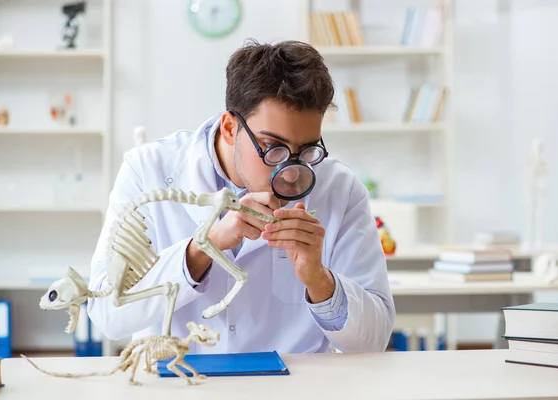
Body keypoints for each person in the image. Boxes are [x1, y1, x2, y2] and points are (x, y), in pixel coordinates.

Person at [87, 39, 395, 354]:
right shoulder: (146, 171)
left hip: (296, 386)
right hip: (180, 381)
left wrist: (319, 281)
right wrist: (203, 247)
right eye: (273, 147)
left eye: (306, 150)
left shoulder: (339, 188)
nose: (291, 173)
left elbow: (373, 341)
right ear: (231, 127)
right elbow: (107, 314)